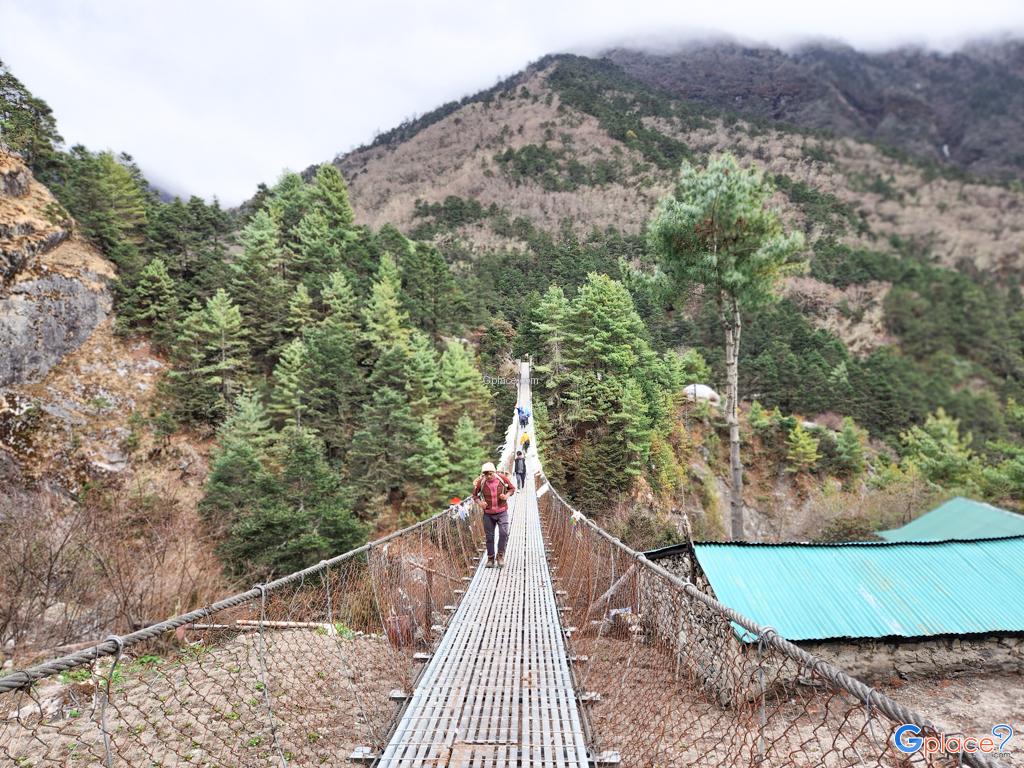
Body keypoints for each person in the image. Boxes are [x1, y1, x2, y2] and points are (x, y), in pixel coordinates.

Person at [472, 461, 515, 568]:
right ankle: (490, 558)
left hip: (502, 511)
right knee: (489, 537)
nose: (488, 476)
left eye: (490, 473)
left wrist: (506, 496)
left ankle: (500, 556)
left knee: (504, 533)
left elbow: (512, 488)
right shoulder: (481, 482)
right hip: (488, 514)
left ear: (494, 472)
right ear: (483, 474)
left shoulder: (502, 478)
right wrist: (480, 503)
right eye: (486, 474)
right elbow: (475, 496)